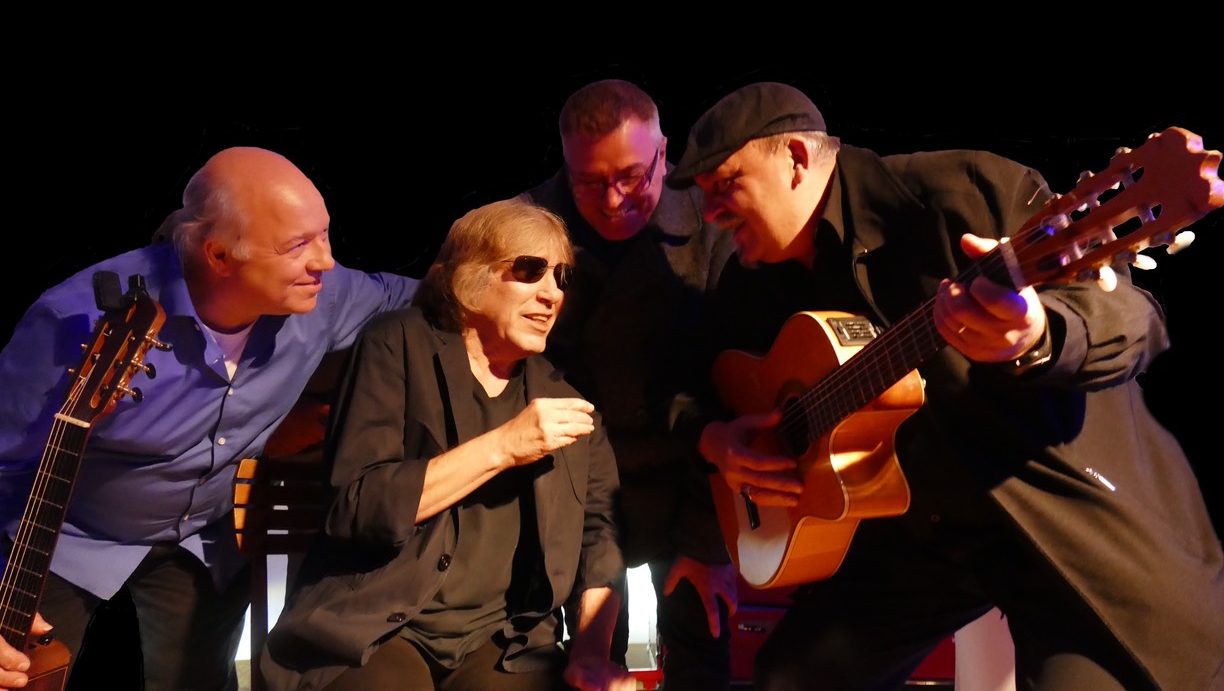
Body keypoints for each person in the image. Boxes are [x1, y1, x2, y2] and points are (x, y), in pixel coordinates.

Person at [665, 81, 1224, 690]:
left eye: (726, 186)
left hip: (1054, 525)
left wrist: (1036, 334)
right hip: (919, 539)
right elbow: (693, 383)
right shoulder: (753, 283)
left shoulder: (959, 192)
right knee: (791, 677)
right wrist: (715, 438)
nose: (713, 214)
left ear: (797, 159)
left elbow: (1133, 321)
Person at [0, 146, 419, 691]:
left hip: (202, 535)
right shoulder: (70, 320)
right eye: (297, 246)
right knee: (21, 677)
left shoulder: (327, 295)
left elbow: (428, 298)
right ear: (219, 256)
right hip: (71, 531)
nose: (325, 261)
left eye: (325, 235)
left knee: (200, 681)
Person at [260, 199, 635, 691]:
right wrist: (503, 446)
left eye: (561, 277)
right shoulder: (396, 345)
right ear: (471, 278)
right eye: (529, 270)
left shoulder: (565, 394)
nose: (551, 294)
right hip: (376, 629)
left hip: (503, 641)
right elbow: (357, 505)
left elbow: (599, 534)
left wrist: (589, 653)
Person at [512, 78, 739, 689]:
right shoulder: (524, 229)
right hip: (570, 485)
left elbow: (733, 395)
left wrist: (709, 543)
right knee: (561, 664)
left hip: (694, 477)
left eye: (633, 176)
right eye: (589, 182)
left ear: (664, 153)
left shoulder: (714, 227)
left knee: (700, 637)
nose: (613, 201)